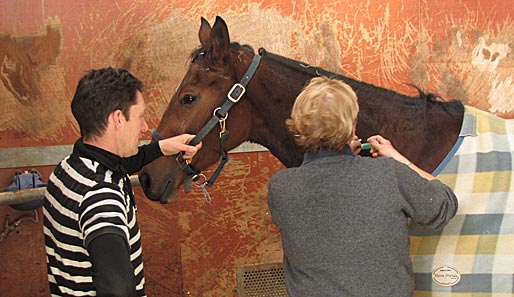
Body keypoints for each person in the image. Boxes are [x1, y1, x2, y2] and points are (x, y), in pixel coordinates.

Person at [267, 76, 458, 296]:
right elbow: (444, 205)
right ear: (352, 125)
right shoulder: (389, 173)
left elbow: (325, 192)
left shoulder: (280, 188)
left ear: (298, 124)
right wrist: (397, 158)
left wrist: (342, 153)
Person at [43, 67, 202, 296]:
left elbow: (121, 165)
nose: (145, 127)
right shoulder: (101, 198)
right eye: (140, 117)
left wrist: (162, 148)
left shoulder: (68, 169)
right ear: (118, 118)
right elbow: (118, 289)